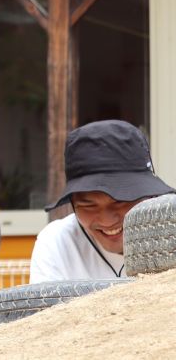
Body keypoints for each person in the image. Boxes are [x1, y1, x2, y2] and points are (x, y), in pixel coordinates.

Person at [30, 119, 174, 282]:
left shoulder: (171, 230)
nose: (106, 220)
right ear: (73, 203)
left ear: (151, 196)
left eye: (121, 200)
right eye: (88, 205)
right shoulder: (58, 242)